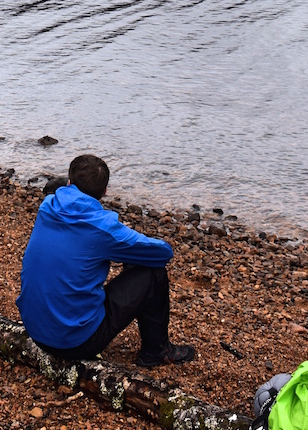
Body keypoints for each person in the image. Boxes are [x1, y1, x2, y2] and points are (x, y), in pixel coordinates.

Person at [17, 153, 196, 368]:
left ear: (69, 181)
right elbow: (162, 253)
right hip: (75, 342)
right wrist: (128, 253)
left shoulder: (47, 206)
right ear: (104, 192)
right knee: (152, 272)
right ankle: (156, 351)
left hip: (35, 329)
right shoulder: (102, 228)